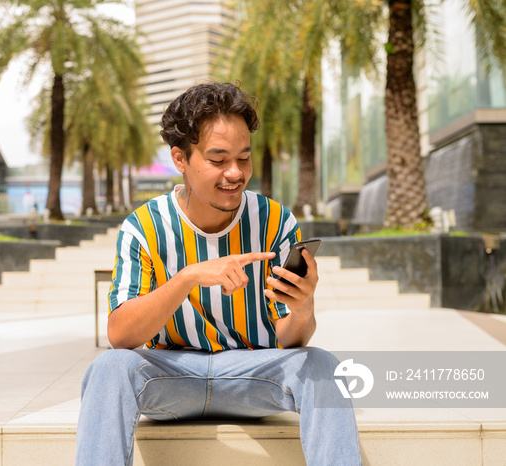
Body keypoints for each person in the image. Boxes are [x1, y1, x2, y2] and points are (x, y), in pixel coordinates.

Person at [76, 82, 361, 465]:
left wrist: (304, 308)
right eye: (218, 159)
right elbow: (120, 335)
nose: (235, 172)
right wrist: (188, 277)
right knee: (108, 369)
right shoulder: (144, 227)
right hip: (172, 374)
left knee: (323, 364)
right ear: (180, 158)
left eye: (244, 158)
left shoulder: (274, 221)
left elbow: (289, 338)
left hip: (252, 374)